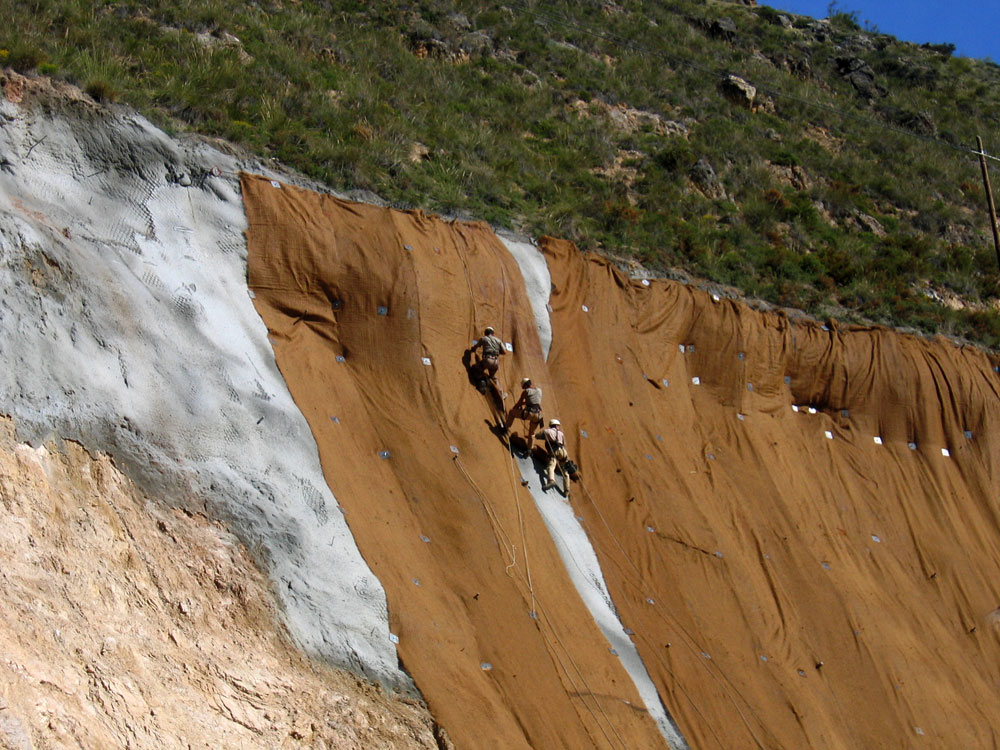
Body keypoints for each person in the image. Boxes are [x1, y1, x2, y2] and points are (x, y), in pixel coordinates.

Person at [536, 418, 570, 496]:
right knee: (565, 472)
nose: (559, 427)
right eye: (558, 426)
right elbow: (564, 443)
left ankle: (551, 480)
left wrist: (533, 436)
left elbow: (538, 436)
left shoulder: (547, 431)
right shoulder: (561, 433)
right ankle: (566, 490)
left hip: (555, 451)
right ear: (556, 425)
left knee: (551, 467)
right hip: (564, 452)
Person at [505, 377, 543, 442]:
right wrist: (524, 403)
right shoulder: (539, 390)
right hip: (538, 415)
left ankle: (505, 428)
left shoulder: (526, 391)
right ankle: (529, 450)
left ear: (525, 385)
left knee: (511, 412)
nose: (524, 388)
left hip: (529, 413)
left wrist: (514, 408)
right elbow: (533, 402)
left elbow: (519, 403)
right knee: (531, 434)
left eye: (524, 387)